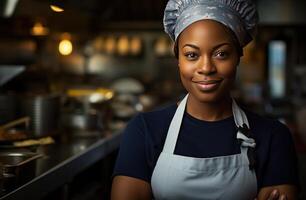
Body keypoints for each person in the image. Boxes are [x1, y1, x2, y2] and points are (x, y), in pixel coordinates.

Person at [111, 0, 300, 199]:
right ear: (178, 60)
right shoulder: (143, 131)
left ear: (238, 56)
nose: (206, 68)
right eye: (192, 55)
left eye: (221, 54)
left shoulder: (273, 136)